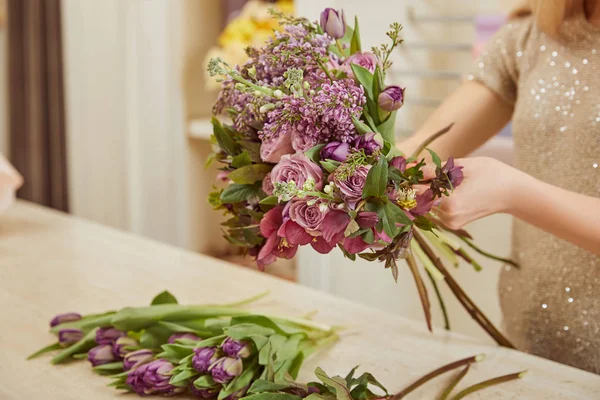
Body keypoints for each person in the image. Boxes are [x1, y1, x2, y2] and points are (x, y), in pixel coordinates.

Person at [400, 0, 600, 373]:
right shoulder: (531, 36)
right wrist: (328, 167)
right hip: (530, 345)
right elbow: (420, 151)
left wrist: (515, 193)